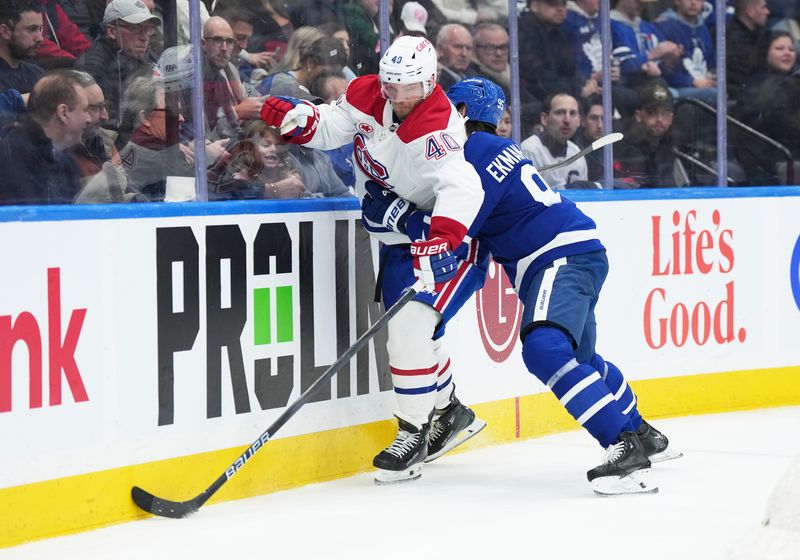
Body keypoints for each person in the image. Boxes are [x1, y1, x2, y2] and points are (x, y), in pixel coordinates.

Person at [361, 76, 682, 495]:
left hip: (555, 256)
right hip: (576, 251)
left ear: (458, 114)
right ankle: (642, 434)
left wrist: (399, 213)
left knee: (544, 349)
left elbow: (454, 230)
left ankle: (623, 448)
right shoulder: (493, 149)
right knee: (579, 358)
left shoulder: (469, 154)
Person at [259, 35, 487, 484]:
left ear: (431, 82)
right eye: (392, 86)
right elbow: (331, 126)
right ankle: (450, 411)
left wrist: (439, 241)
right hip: (399, 234)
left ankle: (414, 431)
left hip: (444, 236)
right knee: (420, 333)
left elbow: (464, 190)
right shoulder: (367, 92)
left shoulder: (438, 129)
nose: (398, 97)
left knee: (408, 329)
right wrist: (298, 118)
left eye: (409, 88)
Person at [0, 70, 90, 205]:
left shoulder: (66, 160)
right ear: (63, 113)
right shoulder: (14, 156)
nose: (89, 118)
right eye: (85, 110)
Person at [77, 0, 161, 124]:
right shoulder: (93, 67)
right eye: (136, 29)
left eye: (148, 29)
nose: (144, 37)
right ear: (112, 32)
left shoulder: (138, 57)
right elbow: (104, 123)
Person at [614, 81, 679, 187]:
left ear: (671, 118)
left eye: (665, 113)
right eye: (651, 113)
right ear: (638, 116)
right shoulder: (629, 149)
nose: (659, 119)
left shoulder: (670, 145)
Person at [521, 92, 588, 189]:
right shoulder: (529, 150)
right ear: (544, 118)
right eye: (560, 112)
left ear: (579, 121)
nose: (567, 120)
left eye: (572, 113)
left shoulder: (576, 151)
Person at [656, 0, 717, 104]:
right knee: (716, 95)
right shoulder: (664, 25)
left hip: (703, 83)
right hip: (676, 88)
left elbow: (709, 62)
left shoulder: (703, 28)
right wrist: (691, 81)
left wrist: (712, 76)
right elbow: (663, 69)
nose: (693, 2)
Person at [726, 0, 770, 99]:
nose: (767, 12)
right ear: (750, 11)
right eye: (763, 7)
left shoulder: (764, 33)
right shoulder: (729, 37)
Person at [0, 0, 45, 96]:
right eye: (32, 29)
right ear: (5, 32)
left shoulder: (37, 74)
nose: (40, 38)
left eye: (40, 29)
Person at [434, 23, 478, 92]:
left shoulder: (475, 78)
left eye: (468, 48)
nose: (464, 54)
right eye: (458, 47)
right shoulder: (435, 81)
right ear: (440, 49)